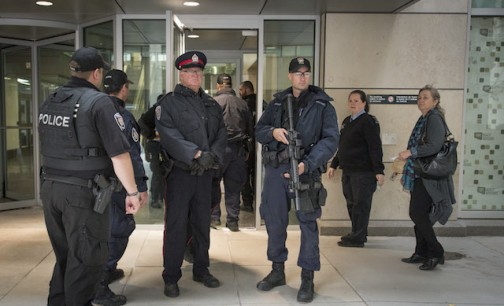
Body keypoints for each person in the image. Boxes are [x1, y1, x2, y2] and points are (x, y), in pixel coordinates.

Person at [38, 47, 141, 306]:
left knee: (65, 256)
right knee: (87, 260)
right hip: (83, 195)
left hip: (51, 188)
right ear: (96, 73)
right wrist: (132, 192)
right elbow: (120, 155)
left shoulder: (52, 99)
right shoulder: (99, 103)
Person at [255, 57, 339, 303]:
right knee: (275, 221)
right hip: (276, 172)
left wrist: (307, 164)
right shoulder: (278, 103)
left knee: (308, 224)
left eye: (306, 73)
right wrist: (273, 132)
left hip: (306, 171)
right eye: (298, 73)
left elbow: (330, 140)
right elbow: (259, 130)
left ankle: (307, 277)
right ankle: (277, 270)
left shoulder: (323, 105)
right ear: (290, 76)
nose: (302, 77)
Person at [155, 51, 227, 298]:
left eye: (198, 72)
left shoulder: (211, 104)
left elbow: (221, 134)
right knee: (175, 225)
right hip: (181, 174)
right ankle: (171, 276)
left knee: (202, 224)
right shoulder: (168, 103)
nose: (195, 75)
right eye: (190, 72)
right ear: (181, 74)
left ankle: (201, 269)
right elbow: (168, 135)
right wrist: (196, 154)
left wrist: (211, 157)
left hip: (205, 174)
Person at [398, 85, 456, 271]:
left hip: (429, 175)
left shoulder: (434, 118)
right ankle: (421, 252)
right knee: (419, 214)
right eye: (419, 97)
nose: (421, 100)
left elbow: (434, 146)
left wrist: (411, 152)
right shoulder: (425, 118)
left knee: (417, 213)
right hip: (420, 173)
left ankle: (436, 252)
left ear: (435, 101)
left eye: (425, 97)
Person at [102, 69, 149, 287]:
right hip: (118, 185)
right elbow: (131, 154)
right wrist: (139, 187)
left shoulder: (93, 110)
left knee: (99, 230)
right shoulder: (123, 117)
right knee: (119, 228)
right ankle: (103, 276)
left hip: (93, 184)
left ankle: (104, 271)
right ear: (123, 89)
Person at [327, 90, 385, 248]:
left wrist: (379, 170)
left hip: (364, 172)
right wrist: (334, 164)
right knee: (352, 203)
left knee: (361, 204)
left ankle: (358, 237)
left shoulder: (368, 121)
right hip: (349, 171)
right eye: (350, 100)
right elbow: (342, 146)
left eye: (356, 101)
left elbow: (375, 147)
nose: (352, 103)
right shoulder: (347, 121)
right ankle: (357, 232)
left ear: (364, 103)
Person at [210, 74, 254, 231]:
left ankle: (214, 218)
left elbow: (209, 128)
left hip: (218, 150)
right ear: (230, 85)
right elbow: (250, 129)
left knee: (214, 184)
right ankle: (233, 221)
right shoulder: (242, 103)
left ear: (219, 86)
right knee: (233, 186)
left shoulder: (213, 103)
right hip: (238, 150)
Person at [138, 94, 164, 209]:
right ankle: (155, 198)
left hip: (163, 147)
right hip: (155, 146)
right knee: (158, 173)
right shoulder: (154, 112)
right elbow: (142, 125)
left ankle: (160, 197)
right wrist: (152, 135)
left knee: (162, 173)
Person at [238, 80, 260, 212]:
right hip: (260, 144)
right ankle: (258, 200)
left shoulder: (243, 105)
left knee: (244, 175)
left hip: (247, 144)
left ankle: (247, 203)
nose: (240, 92)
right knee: (256, 174)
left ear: (246, 89)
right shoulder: (261, 102)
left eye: (241, 90)